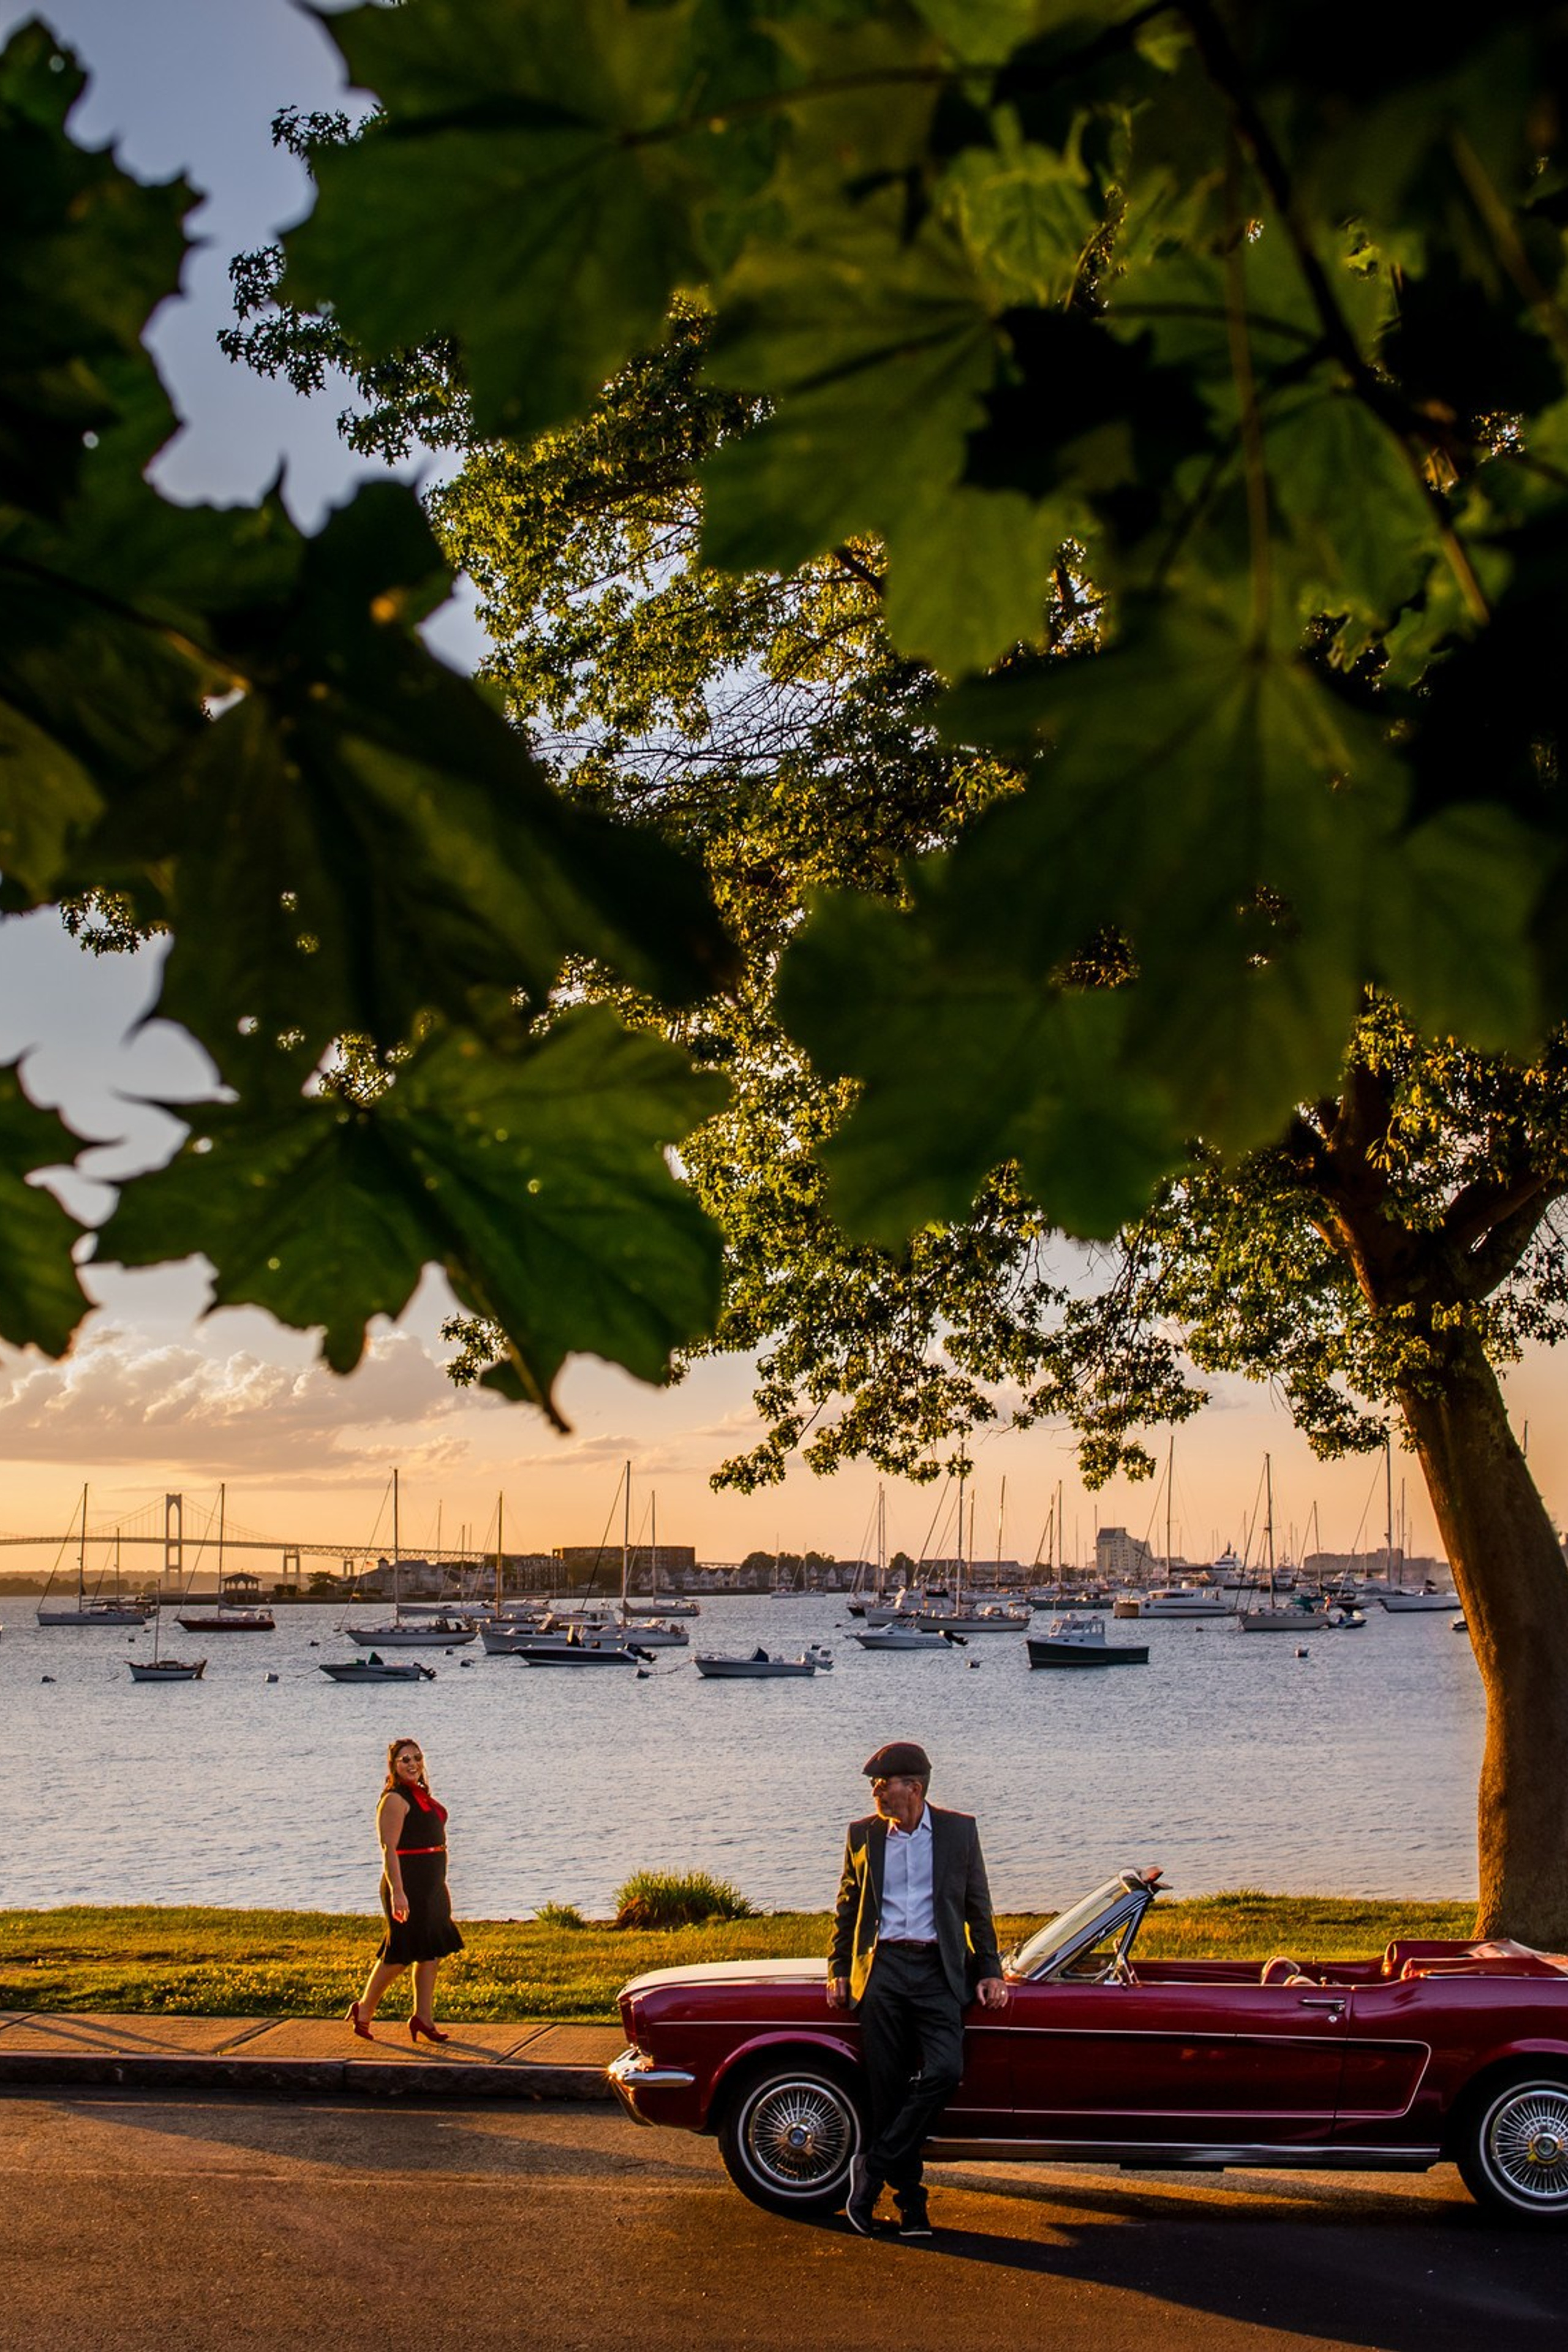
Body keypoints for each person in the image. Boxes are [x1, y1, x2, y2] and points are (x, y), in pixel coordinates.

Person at [827, 1740, 1007, 2239]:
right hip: (881, 1972)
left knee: (946, 2070)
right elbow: (847, 1908)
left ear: (916, 1788)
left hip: (937, 1972)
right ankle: (912, 2207)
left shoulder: (958, 1832)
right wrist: (838, 1968)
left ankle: (873, 2171)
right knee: (887, 2092)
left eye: (884, 1786)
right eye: (874, 1787)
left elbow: (978, 1906)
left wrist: (990, 1969)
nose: (876, 1793)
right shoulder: (862, 1835)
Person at [345, 1737, 464, 2044]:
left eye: (416, 1758)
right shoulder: (394, 1799)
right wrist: (399, 1892)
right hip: (407, 1884)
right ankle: (364, 2008)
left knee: (432, 1951)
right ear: (394, 1767)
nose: (413, 1764)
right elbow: (389, 1849)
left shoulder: (421, 1795)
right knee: (401, 1952)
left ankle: (423, 2018)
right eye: (405, 1760)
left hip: (432, 1885)